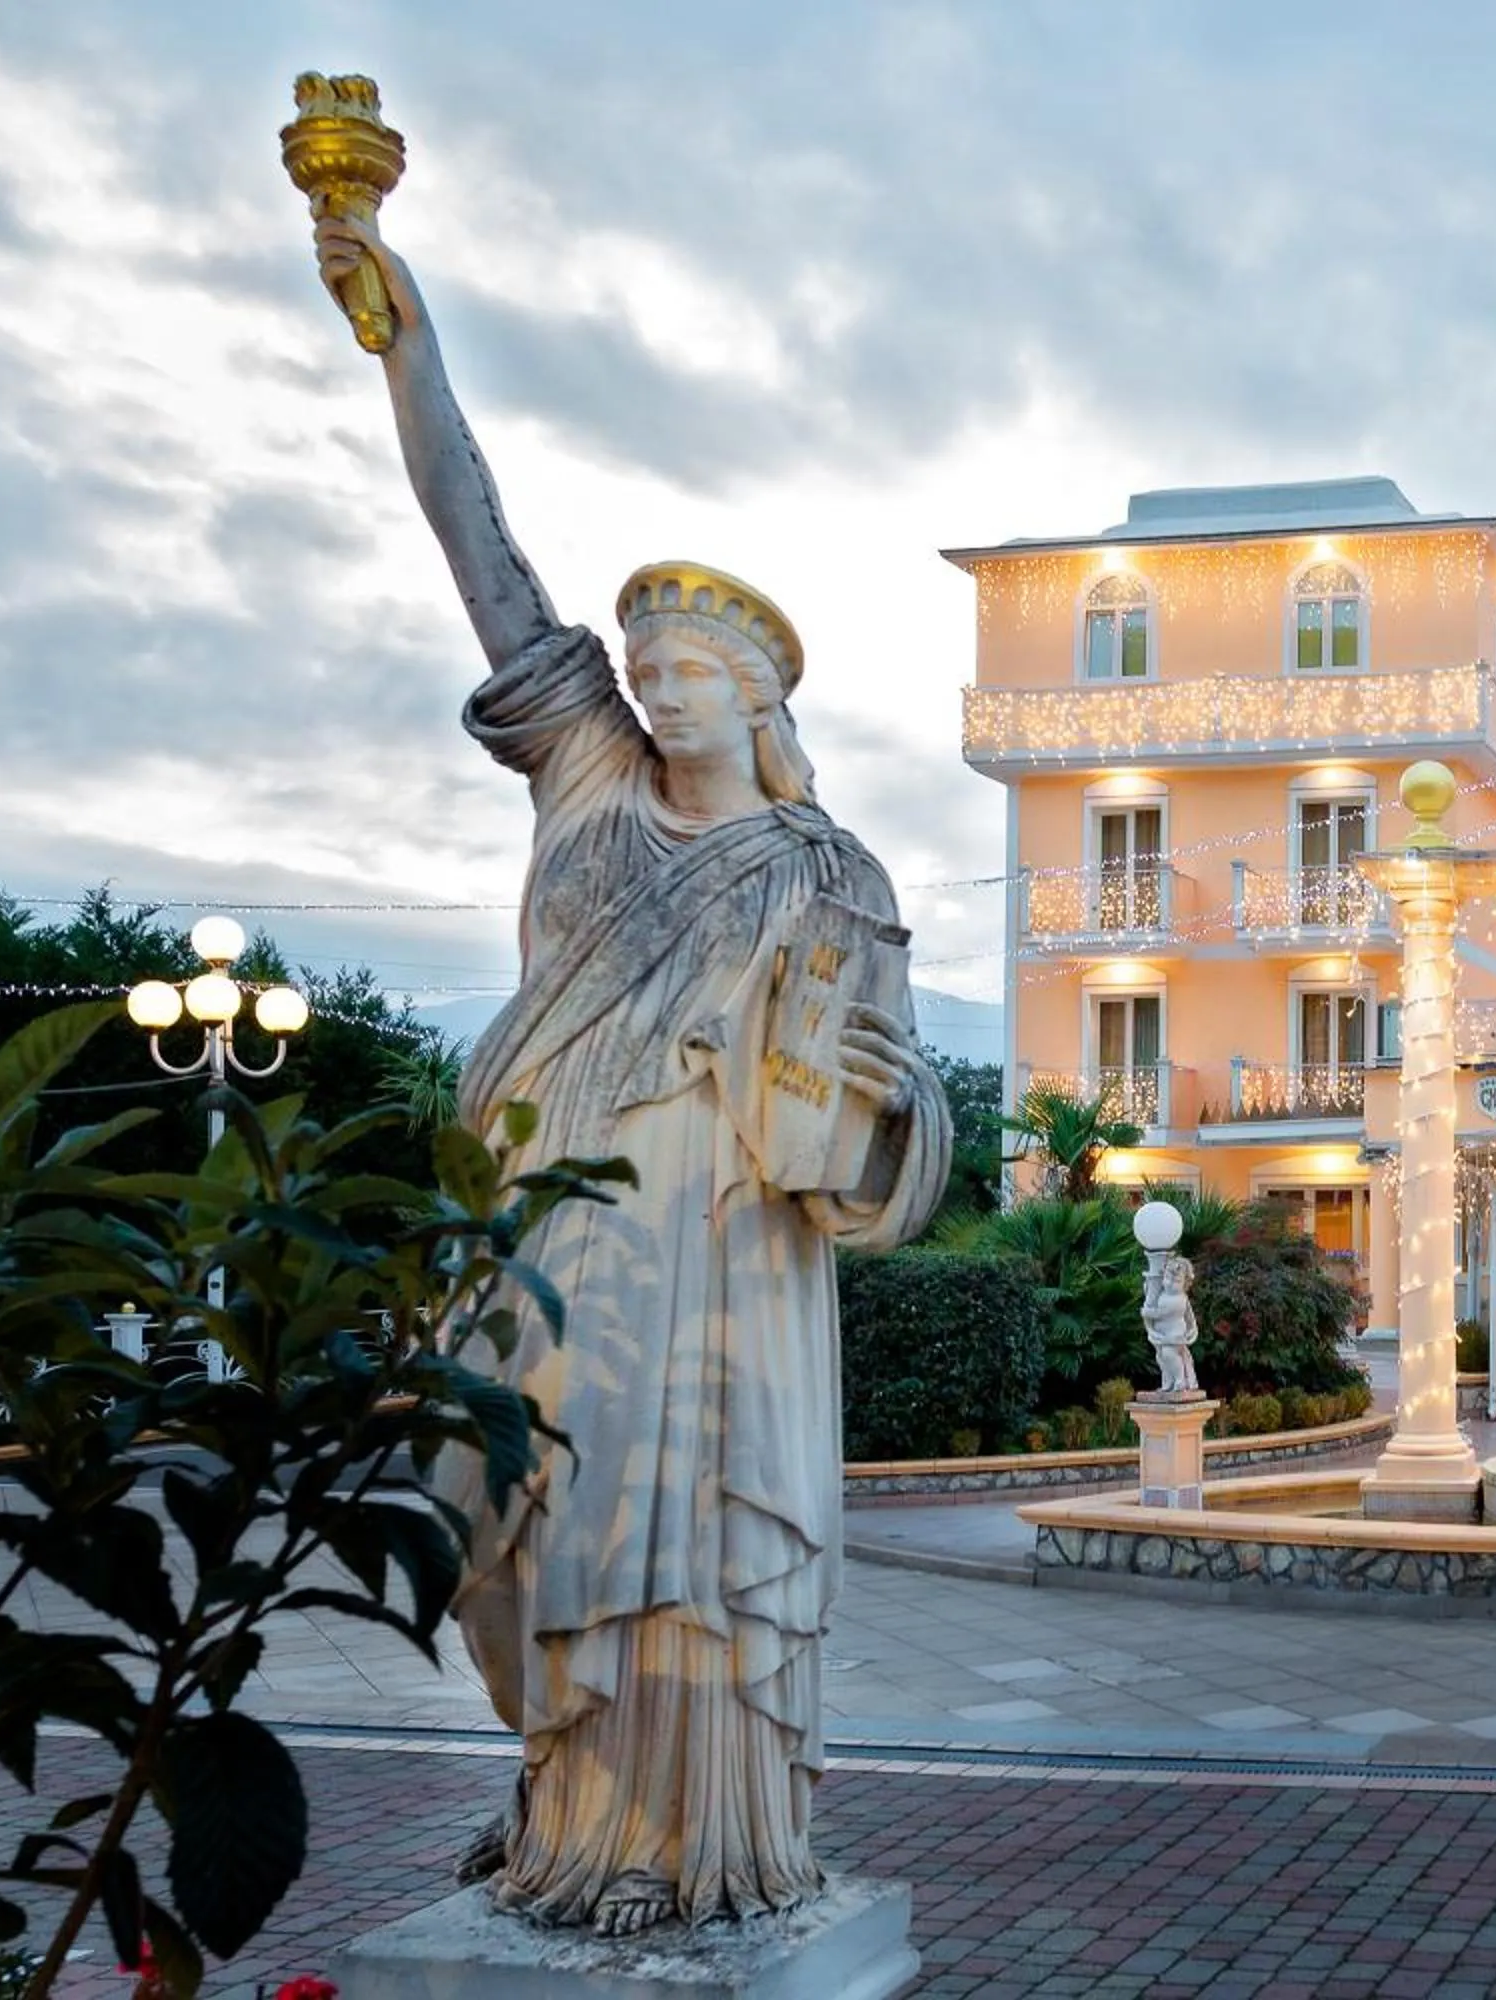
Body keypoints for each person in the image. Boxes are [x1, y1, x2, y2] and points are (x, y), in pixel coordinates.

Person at [312, 213, 952, 1940]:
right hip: (554, 1214)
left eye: (693, 671)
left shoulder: (831, 874)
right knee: (515, 1527)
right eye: (645, 665)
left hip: (726, 1246)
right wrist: (401, 340)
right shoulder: (586, 774)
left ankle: (687, 1847)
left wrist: (894, 1105)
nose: (659, 690)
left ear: (758, 693)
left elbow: (879, 1123)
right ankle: (562, 1814)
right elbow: (482, 551)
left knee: (684, 1555)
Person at [1144, 1250, 1201, 1398]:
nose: (1169, 1283)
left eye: (1175, 1281)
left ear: (1185, 1284)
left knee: (1170, 1354)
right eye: (1167, 1278)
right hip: (1162, 1334)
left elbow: (1162, 1313)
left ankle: (1180, 1380)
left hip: (1174, 1334)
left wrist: (1147, 1313)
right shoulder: (1164, 1294)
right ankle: (1168, 1382)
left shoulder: (1178, 1299)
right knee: (1161, 1357)